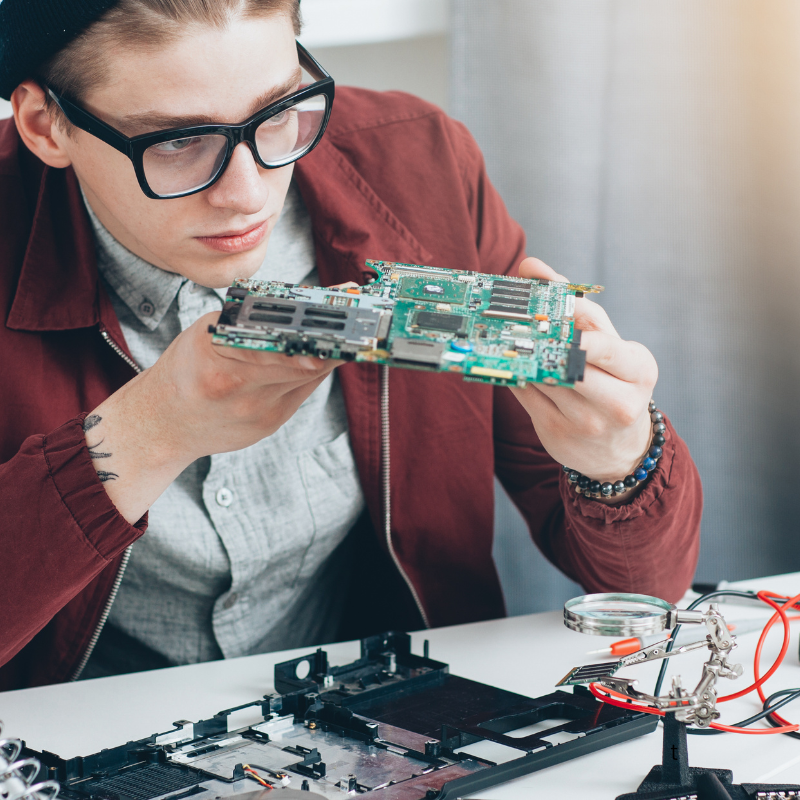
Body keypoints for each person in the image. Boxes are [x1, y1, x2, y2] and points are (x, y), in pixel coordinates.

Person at [0, 0, 702, 690]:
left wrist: (619, 462)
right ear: (45, 126)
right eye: (178, 142)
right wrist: (145, 434)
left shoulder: (421, 163)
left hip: (384, 725)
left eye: (279, 112)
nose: (248, 194)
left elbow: (644, 592)